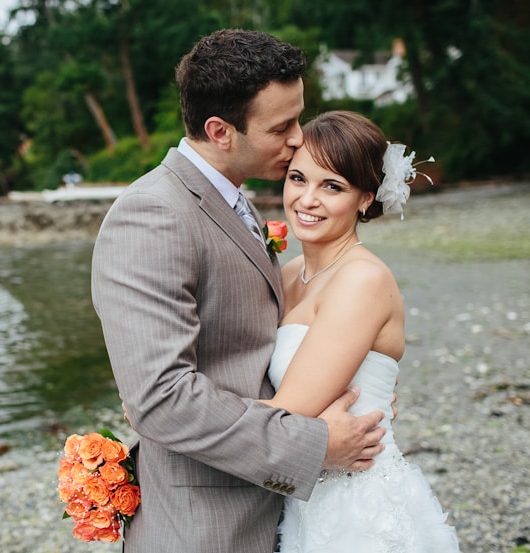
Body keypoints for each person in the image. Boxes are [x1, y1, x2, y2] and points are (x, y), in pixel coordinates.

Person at [90, 30, 386, 553]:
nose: (300, 138)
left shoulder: (235, 202)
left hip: (264, 508)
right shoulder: (154, 214)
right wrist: (315, 447)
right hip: (203, 525)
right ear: (220, 131)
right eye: (282, 126)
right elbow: (162, 398)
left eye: (299, 116)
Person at [262, 110, 460, 551]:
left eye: (332, 186)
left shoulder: (362, 280)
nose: (307, 199)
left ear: (366, 198)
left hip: (357, 508)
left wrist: (174, 408)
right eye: (298, 179)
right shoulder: (289, 273)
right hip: (299, 495)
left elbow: (285, 414)